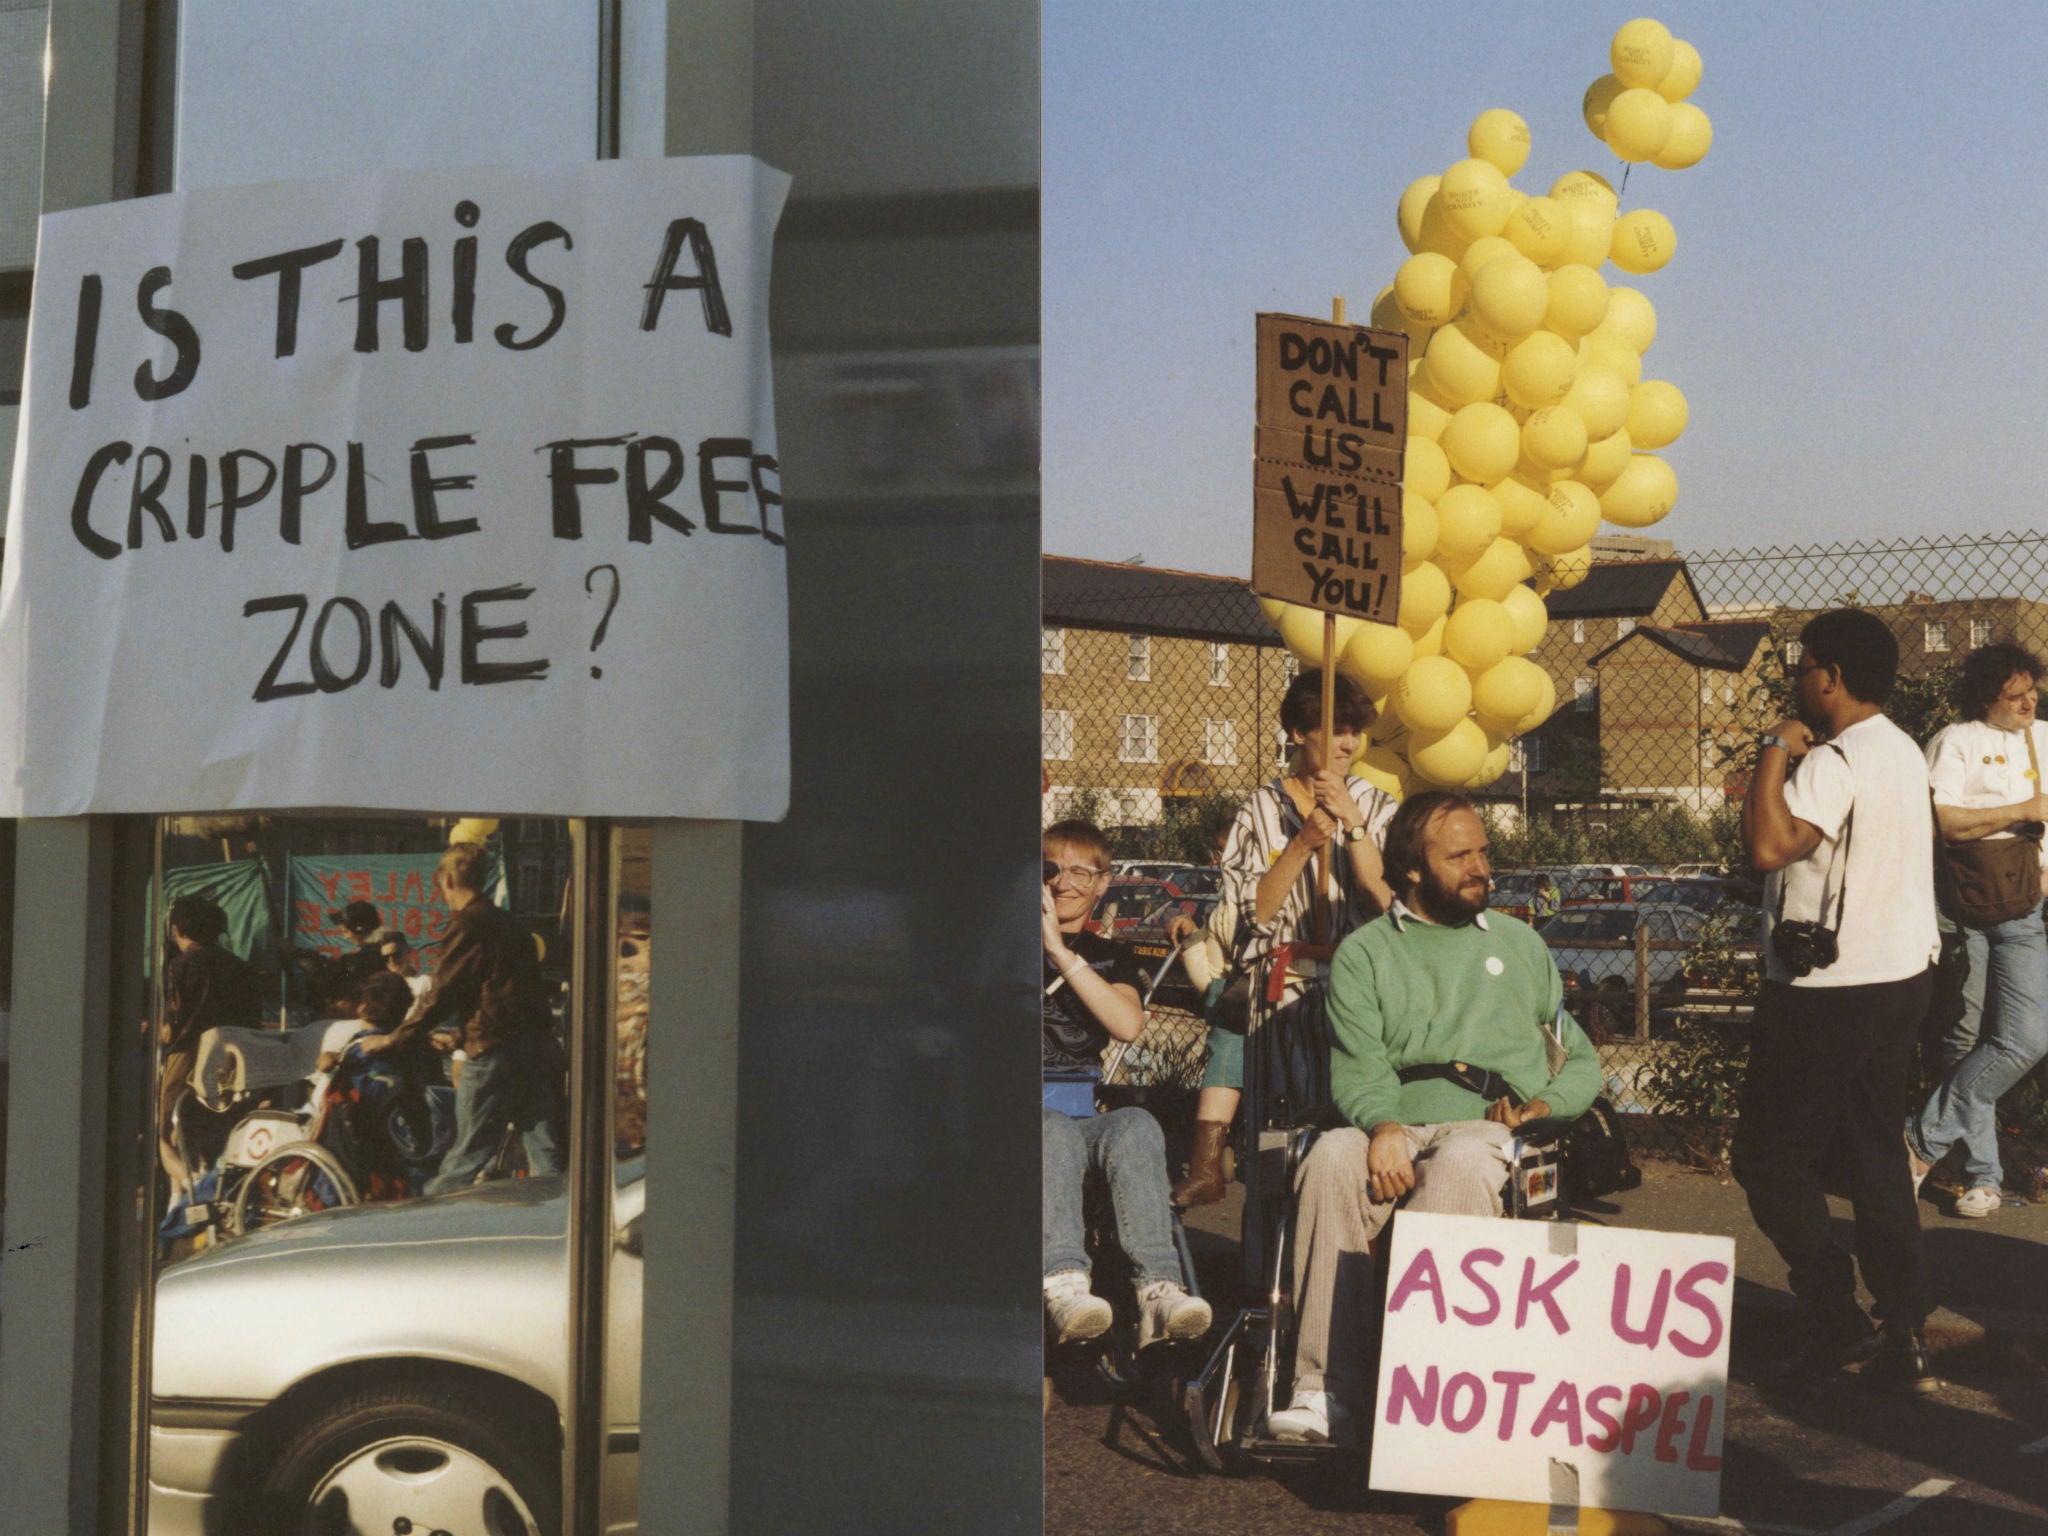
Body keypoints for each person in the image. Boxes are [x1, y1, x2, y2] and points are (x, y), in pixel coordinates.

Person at [1266, 791, 1600, 1447]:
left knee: (1462, 1164)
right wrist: (1384, 1126)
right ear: (1411, 869)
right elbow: (1358, 1066)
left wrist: (1543, 1106)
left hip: (1484, 1127)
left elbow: (1580, 1059)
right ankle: (1323, 1391)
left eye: (1483, 852)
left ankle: (1430, 1395)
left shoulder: (1520, 944)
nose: (1482, 868)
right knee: (1331, 1155)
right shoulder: (1365, 954)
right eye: (1460, 856)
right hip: (1393, 1120)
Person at [1733, 608, 1940, 1394]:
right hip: (1901, 975)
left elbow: (1768, 847)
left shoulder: (1834, 756)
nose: (1796, 677)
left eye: (1804, 664)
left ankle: (1830, 1305)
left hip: (1827, 989)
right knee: (1874, 1150)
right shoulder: (1902, 749)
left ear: (1833, 677)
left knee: (1766, 1155)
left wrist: (1774, 752)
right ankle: (1905, 1327)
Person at [1176, 670, 1395, 1214]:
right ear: (1299, 733)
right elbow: (1256, 912)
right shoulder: (1260, 807)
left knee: (1344, 1119)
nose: (1348, 743)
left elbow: (1383, 900)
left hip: (1354, 983)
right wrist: (1303, 843)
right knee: (1275, 1124)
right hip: (1281, 981)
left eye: (1355, 732)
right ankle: (1258, 1233)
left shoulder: (1378, 803)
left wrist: (1353, 822)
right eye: (1336, 730)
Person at [1041, 818, 1212, 1347]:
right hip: (1009, 1116)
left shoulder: (1111, 956)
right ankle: (1064, 1284)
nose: (1063, 882)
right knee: (1054, 1131)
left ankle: (1158, 1291)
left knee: (1135, 1123)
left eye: (1079, 872)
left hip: (1077, 1111)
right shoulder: (998, 940)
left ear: (1101, 883)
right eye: (1051, 869)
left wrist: (1060, 955)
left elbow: (1127, 1024)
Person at [1907, 643, 2048, 1218]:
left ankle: (1918, 1139)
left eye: (2031, 689)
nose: (2026, 700)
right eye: (2013, 693)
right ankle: (1982, 1175)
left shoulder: (2044, 737)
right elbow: (1941, 820)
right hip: (1962, 909)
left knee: (2025, 1038)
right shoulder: (1956, 740)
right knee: (1964, 1040)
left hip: (2025, 908)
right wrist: (2019, 812)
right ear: (1985, 696)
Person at [361, 841, 563, 1195]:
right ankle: (557, 1222)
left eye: (440, 885)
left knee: (465, 1157)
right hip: (532, 1051)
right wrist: (460, 1035)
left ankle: (424, 1232)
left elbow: (440, 995)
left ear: (449, 879)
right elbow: (509, 993)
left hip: (493, 1055)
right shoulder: (510, 923)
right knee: (544, 1153)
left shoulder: (469, 925)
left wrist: (393, 1039)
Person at [157, 893, 264, 1192]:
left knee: (163, 1137)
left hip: (189, 1059)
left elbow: (170, 1029)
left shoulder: (180, 967)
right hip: (235, 1063)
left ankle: (196, 1190)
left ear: (179, 930)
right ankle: (180, 1207)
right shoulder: (243, 969)